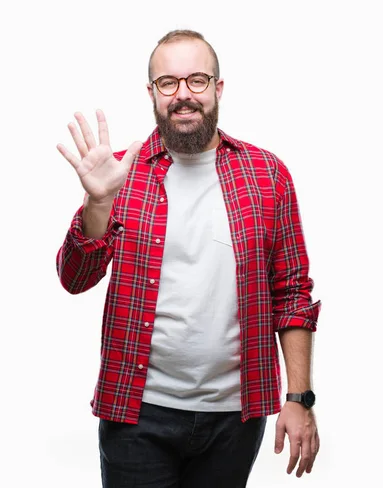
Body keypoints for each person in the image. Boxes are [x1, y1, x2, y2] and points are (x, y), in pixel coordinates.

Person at [55, 29, 321, 488]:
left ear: (218, 88)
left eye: (197, 80)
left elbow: (292, 290)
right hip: (137, 414)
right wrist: (97, 205)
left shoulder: (267, 174)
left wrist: (299, 397)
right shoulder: (121, 173)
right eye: (168, 82)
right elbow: (75, 279)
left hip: (235, 418)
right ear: (151, 92)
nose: (183, 95)